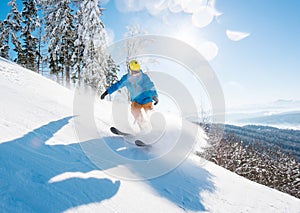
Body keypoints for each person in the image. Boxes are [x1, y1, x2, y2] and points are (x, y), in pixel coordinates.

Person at [101, 60, 159, 129]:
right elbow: (117, 85)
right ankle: (144, 128)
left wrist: (154, 95)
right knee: (135, 111)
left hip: (146, 98)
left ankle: (156, 127)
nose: (136, 74)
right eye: (134, 72)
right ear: (130, 70)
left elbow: (150, 86)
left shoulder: (144, 77)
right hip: (136, 100)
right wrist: (107, 92)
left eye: (137, 72)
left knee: (149, 111)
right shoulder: (126, 79)